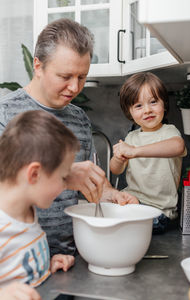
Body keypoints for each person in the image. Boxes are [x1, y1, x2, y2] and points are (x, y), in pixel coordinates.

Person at [0, 18, 138, 256]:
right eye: (65, 76)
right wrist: (63, 176)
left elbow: (89, 184)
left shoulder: (80, 119)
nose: (75, 87)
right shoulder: (5, 114)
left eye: (82, 77)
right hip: (14, 261)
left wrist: (110, 195)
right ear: (38, 66)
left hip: (67, 257)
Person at [0, 110, 79, 294]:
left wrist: (44, 266)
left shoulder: (27, 212)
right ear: (34, 174)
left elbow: (17, 269)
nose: (66, 185)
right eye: (63, 177)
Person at [110, 72, 187, 234]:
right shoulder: (131, 137)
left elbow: (178, 146)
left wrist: (135, 151)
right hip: (131, 202)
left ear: (164, 104)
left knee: (128, 226)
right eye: (138, 106)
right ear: (129, 111)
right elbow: (115, 170)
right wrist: (118, 158)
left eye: (153, 102)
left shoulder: (169, 132)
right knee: (106, 214)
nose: (147, 110)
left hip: (159, 211)